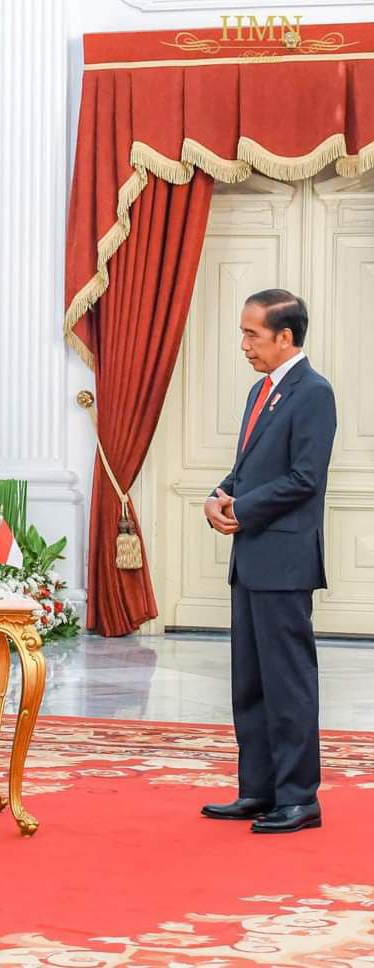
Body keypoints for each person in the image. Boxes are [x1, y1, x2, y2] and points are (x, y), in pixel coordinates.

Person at [201, 290, 336, 834]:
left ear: (285, 336)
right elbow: (248, 469)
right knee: (250, 684)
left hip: (284, 562)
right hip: (251, 559)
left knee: (288, 685)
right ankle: (258, 791)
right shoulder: (261, 391)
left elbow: (305, 478)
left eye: (251, 334)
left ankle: (299, 799)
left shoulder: (314, 393)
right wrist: (218, 496)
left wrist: (243, 509)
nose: (243, 344)